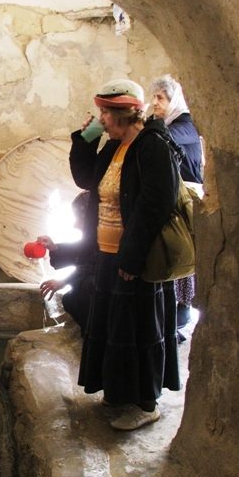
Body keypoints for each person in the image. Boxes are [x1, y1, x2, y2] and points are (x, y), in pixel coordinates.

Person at [69, 78, 181, 431]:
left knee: (140, 330)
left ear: (123, 113)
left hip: (136, 258)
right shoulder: (116, 146)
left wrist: (132, 258)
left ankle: (146, 403)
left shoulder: (152, 146)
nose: (101, 119)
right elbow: (86, 179)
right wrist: (85, 140)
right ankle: (120, 393)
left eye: (105, 113)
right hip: (108, 254)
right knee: (115, 329)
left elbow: (155, 206)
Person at [150, 75, 203, 334]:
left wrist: (147, 127)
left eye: (160, 98)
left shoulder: (185, 124)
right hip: (174, 199)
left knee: (183, 254)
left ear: (174, 100)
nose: (155, 103)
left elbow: (165, 137)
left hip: (187, 201)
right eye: (154, 97)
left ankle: (182, 311)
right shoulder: (166, 124)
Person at [37, 192, 96, 334]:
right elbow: (81, 250)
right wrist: (53, 247)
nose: (75, 225)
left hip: (102, 290)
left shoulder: (109, 238)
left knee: (80, 295)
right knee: (70, 299)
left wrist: (64, 281)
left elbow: (93, 265)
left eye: (78, 218)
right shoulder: (93, 236)